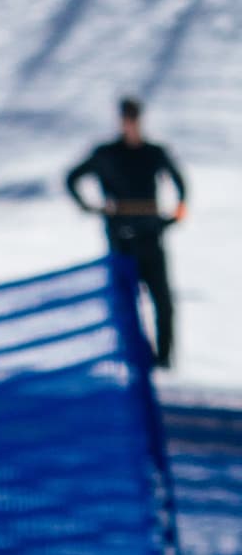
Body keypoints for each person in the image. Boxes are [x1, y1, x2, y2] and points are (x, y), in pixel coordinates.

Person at [69, 96, 189, 369]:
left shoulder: (153, 153)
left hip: (151, 236)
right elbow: (72, 178)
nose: (130, 123)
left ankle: (164, 358)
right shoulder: (107, 154)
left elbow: (181, 183)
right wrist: (89, 207)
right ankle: (135, 351)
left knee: (162, 300)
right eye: (126, 117)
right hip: (120, 239)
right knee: (125, 303)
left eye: (134, 117)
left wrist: (177, 214)